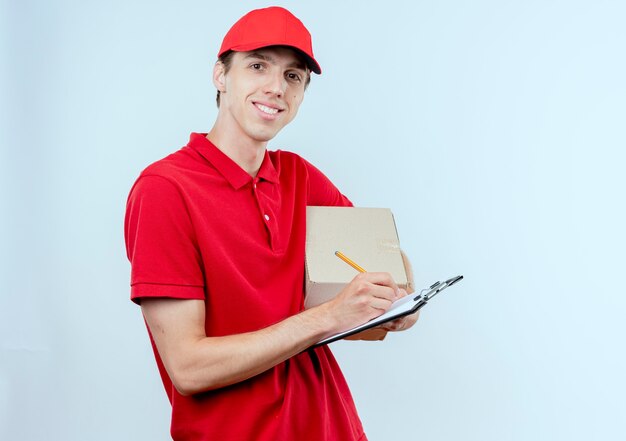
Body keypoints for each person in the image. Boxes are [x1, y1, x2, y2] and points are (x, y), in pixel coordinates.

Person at [124, 6, 419, 441]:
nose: (276, 88)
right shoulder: (165, 189)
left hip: (331, 427)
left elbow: (386, 273)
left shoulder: (300, 177)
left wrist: (392, 308)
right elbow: (188, 367)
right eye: (257, 65)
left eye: (293, 76)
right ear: (220, 76)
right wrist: (329, 314)